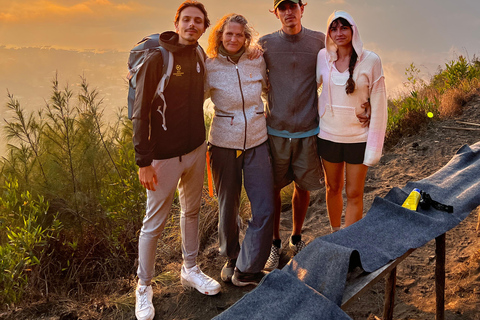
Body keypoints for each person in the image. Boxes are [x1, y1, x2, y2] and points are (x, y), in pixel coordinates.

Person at [132, 1, 221, 319]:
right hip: (162, 158)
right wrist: (144, 160)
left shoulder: (198, 55)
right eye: (187, 19)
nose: (192, 25)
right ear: (177, 22)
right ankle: (143, 287)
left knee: (192, 212)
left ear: (204, 26)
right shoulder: (158, 58)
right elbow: (140, 109)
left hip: (196, 150)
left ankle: (191, 269)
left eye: (198, 21)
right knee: (153, 225)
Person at [205, 13, 274, 286]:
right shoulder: (209, 66)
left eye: (239, 35)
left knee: (265, 207)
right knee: (227, 206)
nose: (233, 39)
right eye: (228, 34)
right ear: (220, 36)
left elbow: (270, 91)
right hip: (222, 145)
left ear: (247, 38)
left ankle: (248, 268)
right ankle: (232, 259)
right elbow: (189, 97)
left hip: (257, 141)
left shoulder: (257, 61)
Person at [316, 10, 387, 230]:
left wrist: (374, 148)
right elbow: (309, 89)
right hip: (328, 136)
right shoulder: (322, 57)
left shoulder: (371, 61)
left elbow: (380, 105)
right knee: (332, 188)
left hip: (358, 138)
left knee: (354, 193)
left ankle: (350, 242)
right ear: (328, 33)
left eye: (344, 27)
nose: (339, 33)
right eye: (334, 28)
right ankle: (336, 234)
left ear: (353, 30)